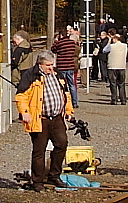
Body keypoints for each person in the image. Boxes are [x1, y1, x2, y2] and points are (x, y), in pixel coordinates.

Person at [14, 49, 73, 192]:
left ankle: (54, 175)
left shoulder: (56, 74)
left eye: (52, 64)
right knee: (39, 151)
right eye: (48, 65)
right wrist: (24, 112)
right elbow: (21, 96)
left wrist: (68, 110)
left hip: (57, 118)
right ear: (40, 64)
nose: (51, 68)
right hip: (39, 119)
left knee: (62, 144)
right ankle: (37, 181)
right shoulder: (30, 75)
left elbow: (65, 93)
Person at [52, 25, 80, 108]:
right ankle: (74, 102)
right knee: (72, 85)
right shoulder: (71, 43)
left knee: (61, 85)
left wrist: (56, 41)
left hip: (61, 66)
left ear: (60, 35)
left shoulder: (59, 43)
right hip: (70, 65)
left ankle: (63, 102)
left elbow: (53, 49)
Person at [104, 32, 128, 104]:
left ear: (114, 39)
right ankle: (123, 99)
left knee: (113, 83)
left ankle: (114, 99)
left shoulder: (111, 46)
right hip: (121, 66)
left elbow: (104, 50)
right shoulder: (125, 46)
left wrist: (109, 41)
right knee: (121, 83)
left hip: (112, 66)